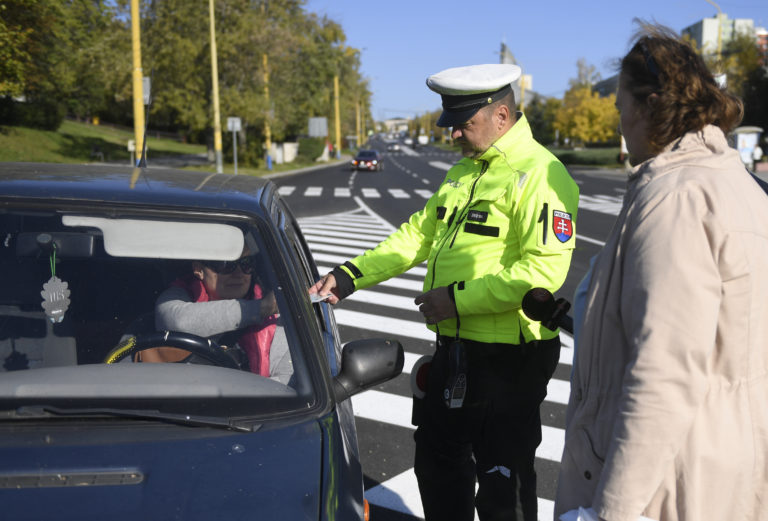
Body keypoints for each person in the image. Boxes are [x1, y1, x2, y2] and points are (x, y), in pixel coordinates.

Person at [310, 63, 579, 521]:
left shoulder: (540, 174)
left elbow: (541, 272)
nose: (454, 134)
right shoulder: (465, 171)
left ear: (501, 116)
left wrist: (454, 300)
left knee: (503, 490)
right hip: (456, 353)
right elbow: (418, 235)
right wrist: (352, 274)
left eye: (464, 123)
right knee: (438, 469)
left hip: (508, 365)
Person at [554, 23, 768, 521]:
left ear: (650, 105)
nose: (618, 121)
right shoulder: (742, 186)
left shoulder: (675, 198)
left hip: (669, 487)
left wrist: (609, 513)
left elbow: (664, 373)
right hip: (727, 462)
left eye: (621, 105)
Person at [141, 252, 291, 383]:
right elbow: (177, 322)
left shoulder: (276, 318)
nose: (239, 273)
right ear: (198, 269)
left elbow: (286, 383)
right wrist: (260, 308)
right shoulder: (178, 296)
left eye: (246, 263)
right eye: (225, 264)